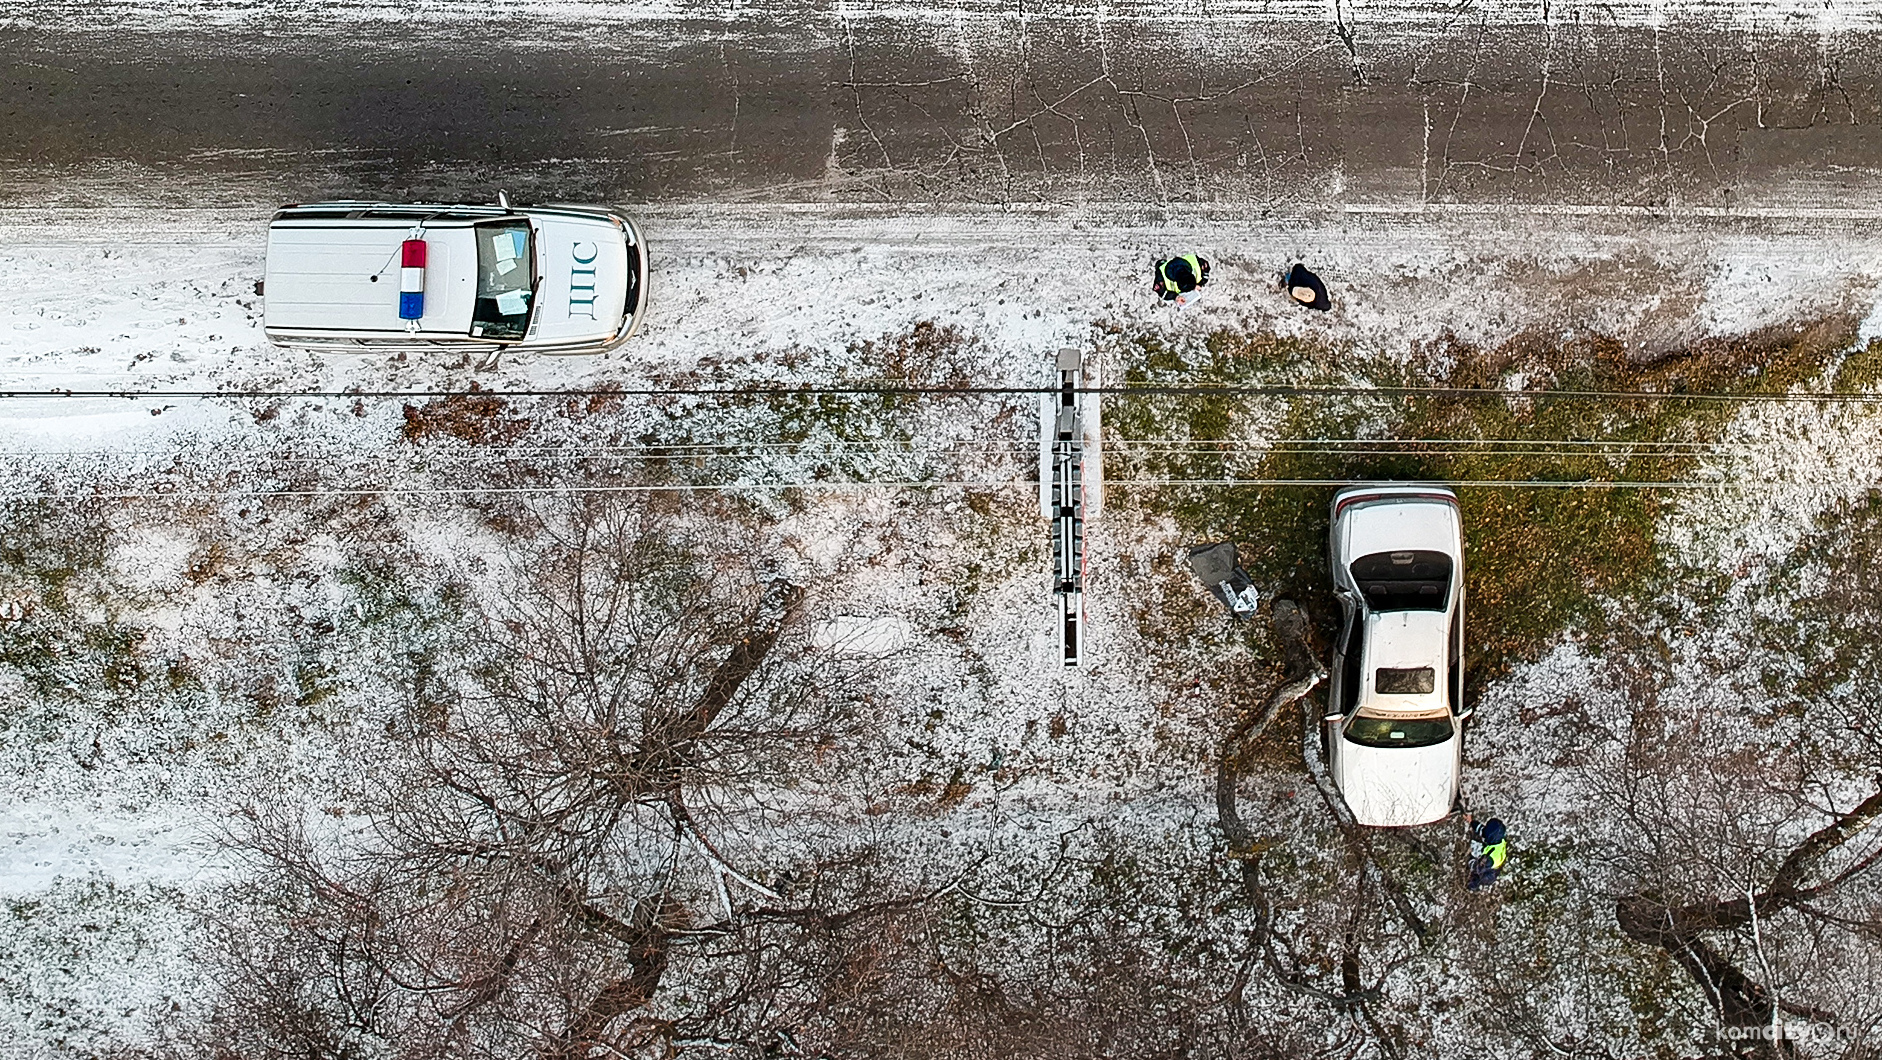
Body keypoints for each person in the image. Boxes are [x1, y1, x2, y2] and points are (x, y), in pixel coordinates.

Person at [1464, 814, 1508, 891]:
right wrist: (1471, 821)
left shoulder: (1489, 858)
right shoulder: (1498, 837)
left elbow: (1477, 866)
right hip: (1494, 861)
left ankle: (1473, 885)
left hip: (1489, 871)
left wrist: (1470, 861)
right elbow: (1483, 831)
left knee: (1474, 850)